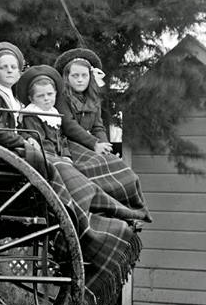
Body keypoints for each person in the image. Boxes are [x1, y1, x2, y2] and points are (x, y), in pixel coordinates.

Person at [13, 65, 146, 305]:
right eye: (41, 96)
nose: (46, 99)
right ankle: (85, 217)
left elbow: (62, 139)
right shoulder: (31, 116)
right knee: (73, 176)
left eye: (49, 95)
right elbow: (42, 142)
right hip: (43, 157)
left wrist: (69, 154)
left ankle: (117, 208)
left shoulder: (54, 113)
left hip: (60, 155)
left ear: (55, 94)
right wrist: (61, 156)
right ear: (31, 98)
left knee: (91, 170)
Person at [52, 48, 152, 221]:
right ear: (67, 77)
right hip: (69, 144)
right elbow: (69, 126)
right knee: (95, 168)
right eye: (75, 76)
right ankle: (99, 207)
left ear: (90, 77)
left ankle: (129, 209)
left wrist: (106, 146)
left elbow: (98, 126)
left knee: (119, 167)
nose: (80, 80)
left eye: (84, 76)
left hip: (89, 144)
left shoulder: (93, 99)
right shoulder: (62, 98)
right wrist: (94, 144)